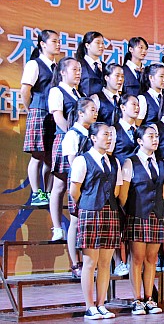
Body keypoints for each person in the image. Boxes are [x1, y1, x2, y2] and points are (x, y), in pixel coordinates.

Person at [69, 122, 122, 320]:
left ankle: (101, 304)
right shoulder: (82, 160)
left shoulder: (113, 161)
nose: (109, 138)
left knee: (105, 262)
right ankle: (89, 306)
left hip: (110, 211)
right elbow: (74, 191)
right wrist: (88, 204)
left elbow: (116, 190)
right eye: (105, 134)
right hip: (90, 212)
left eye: (110, 135)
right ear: (93, 138)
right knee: (90, 262)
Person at [119, 125, 164, 315]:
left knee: (152, 258)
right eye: (150, 136)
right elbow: (123, 196)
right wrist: (131, 214)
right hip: (138, 214)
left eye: (156, 136)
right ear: (140, 141)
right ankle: (137, 299)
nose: (155, 139)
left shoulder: (161, 162)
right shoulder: (130, 163)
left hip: (157, 214)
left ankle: (149, 298)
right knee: (137, 258)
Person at [21, 29, 59, 206]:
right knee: (37, 154)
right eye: (54, 41)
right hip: (39, 111)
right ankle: (37, 192)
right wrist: (31, 109)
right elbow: (25, 90)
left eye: (59, 41)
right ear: (43, 44)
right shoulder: (34, 64)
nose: (58, 44)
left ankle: (48, 192)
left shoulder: (58, 67)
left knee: (51, 157)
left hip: (54, 114)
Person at [62, 97, 98, 278]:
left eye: (96, 110)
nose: (95, 113)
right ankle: (75, 263)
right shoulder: (72, 135)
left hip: (94, 183)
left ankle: (90, 261)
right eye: (92, 110)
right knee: (75, 221)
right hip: (79, 181)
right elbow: (72, 162)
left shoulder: (94, 133)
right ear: (80, 113)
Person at [48, 57, 82, 241]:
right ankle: (57, 227)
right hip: (64, 140)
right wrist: (72, 134)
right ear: (62, 72)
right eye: (74, 69)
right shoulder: (57, 91)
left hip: (80, 143)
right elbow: (58, 117)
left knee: (74, 182)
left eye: (79, 70)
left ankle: (75, 226)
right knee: (59, 184)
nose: (78, 73)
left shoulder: (79, 93)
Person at [76, 31, 105, 97]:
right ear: (87, 45)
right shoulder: (78, 65)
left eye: (103, 43)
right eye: (97, 43)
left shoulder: (106, 67)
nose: (101, 46)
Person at [113, 94, 139, 165]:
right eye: (133, 104)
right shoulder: (114, 130)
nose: (137, 107)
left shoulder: (139, 130)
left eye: (138, 105)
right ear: (122, 107)